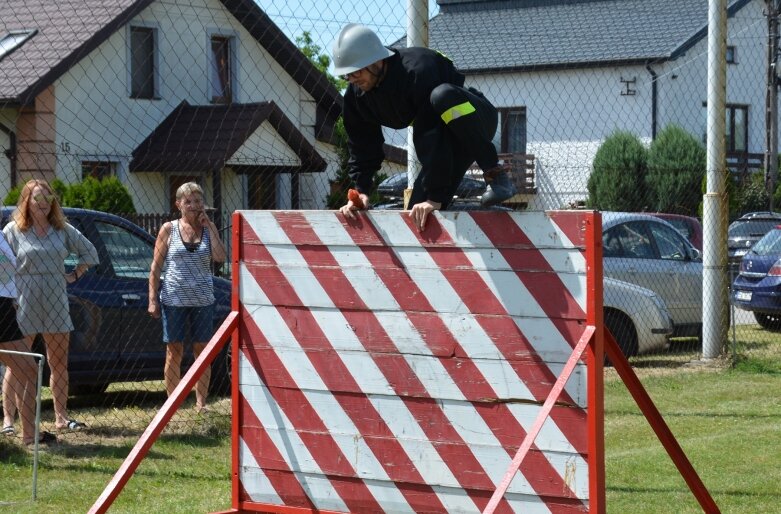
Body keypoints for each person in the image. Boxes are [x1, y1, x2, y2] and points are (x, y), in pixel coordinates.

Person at [333, 23, 517, 230]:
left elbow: (430, 135)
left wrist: (436, 196)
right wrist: (361, 191)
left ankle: (496, 176)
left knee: (442, 95)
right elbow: (362, 145)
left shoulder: (417, 70)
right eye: (347, 75)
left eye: (357, 72)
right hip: (444, 140)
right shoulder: (357, 97)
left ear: (377, 61)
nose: (352, 79)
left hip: (472, 120)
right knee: (418, 217)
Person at [2, 179, 98, 432]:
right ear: (26, 201)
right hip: (24, 298)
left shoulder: (62, 229)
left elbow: (90, 252)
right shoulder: (13, 230)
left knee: (58, 362)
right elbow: (3, 264)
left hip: (56, 297)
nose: (43, 203)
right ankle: (8, 420)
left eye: (47, 198)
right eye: (37, 198)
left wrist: (74, 274)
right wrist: (8, 294)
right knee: (18, 362)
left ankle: (61, 417)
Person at [148, 182, 226, 412]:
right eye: (189, 201)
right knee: (174, 350)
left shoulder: (206, 228)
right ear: (178, 204)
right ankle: (173, 402)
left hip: (203, 299)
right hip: (174, 299)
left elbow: (221, 257)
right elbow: (156, 267)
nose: (194, 205)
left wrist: (210, 227)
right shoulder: (168, 229)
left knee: (202, 349)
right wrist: (152, 298)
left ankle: (201, 402)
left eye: (198, 201)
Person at [1, 230, 57, 446]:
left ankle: (29, 434)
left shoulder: (1, 235)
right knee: (28, 368)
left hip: (5, 307)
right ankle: (29, 434)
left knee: (27, 369)